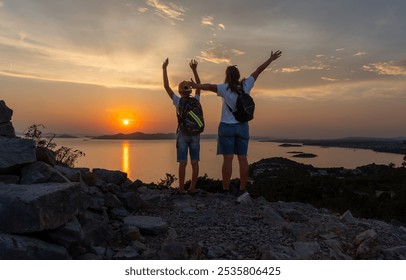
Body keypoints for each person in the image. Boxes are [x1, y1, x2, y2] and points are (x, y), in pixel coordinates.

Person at [189, 50, 282, 201]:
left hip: (227, 126)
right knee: (243, 158)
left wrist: (195, 85)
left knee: (228, 159)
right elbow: (258, 70)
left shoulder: (224, 88)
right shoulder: (246, 85)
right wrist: (270, 59)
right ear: (238, 76)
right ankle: (242, 189)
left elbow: (207, 86)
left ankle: (225, 190)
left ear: (227, 76)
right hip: (243, 126)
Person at [162, 58, 202, 194]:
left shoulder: (178, 101)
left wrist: (164, 68)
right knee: (195, 162)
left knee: (183, 163)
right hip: (196, 133)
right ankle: (192, 189)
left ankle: (181, 189)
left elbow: (166, 87)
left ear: (179, 91)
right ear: (190, 91)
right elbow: (199, 86)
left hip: (182, 134)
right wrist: (194, 70)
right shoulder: (195, 100)